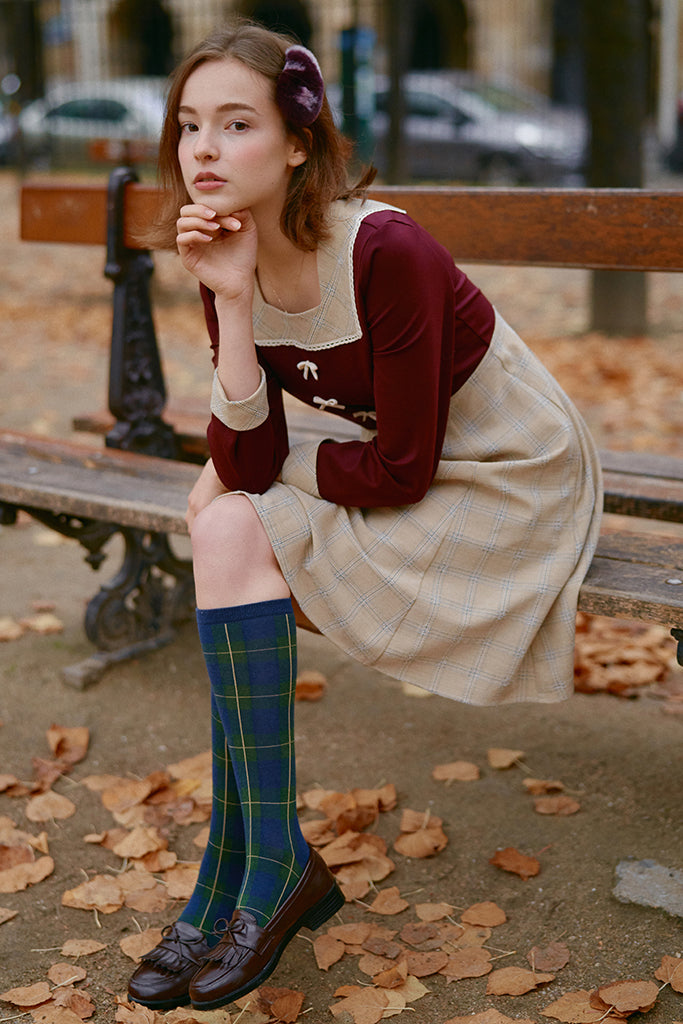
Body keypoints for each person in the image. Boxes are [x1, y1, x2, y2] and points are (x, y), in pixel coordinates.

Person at [127, 19, 602, 1012]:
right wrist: (232, 304)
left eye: (234, 124)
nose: (201, 150)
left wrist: (258, 473)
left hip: (508, 470)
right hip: (401, 462)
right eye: (187, 126)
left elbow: (398, 467)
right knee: (220, 521)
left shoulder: (383, 249)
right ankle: (253, 868)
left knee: (227, 503)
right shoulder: (228, 253)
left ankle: (247, 873)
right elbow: (252, 453)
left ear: (296, 144)